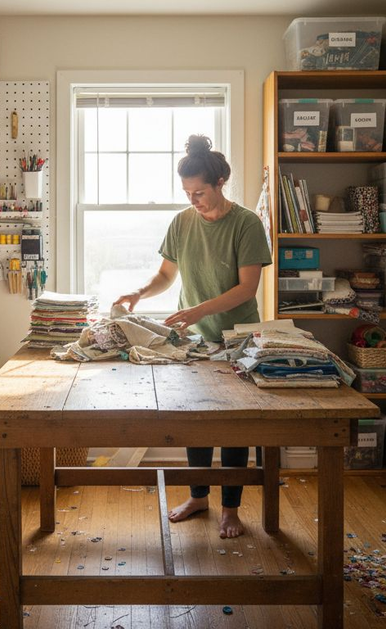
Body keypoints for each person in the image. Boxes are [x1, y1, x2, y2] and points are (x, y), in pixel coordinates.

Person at [113, 134, 272, 538]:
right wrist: (139, 292)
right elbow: (167, 275)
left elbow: (246, 290)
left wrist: (199, 310)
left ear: (221, 183)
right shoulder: (183, 221)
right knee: (195, 420)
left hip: (237, 339)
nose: (193, 200)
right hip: (194, 344)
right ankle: (199, 497)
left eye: (199, 191)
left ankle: (231, 509)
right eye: (186, 192)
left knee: (236, 428)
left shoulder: (246, 224)